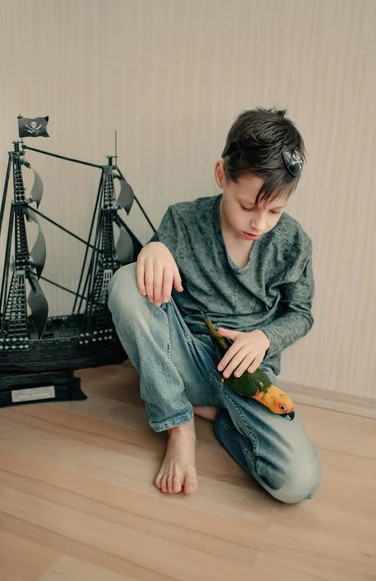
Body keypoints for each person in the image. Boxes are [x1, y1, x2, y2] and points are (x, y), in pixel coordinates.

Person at [108, 107, 322, 503]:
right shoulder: (183, 220)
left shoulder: (293, 243)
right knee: (125, 282)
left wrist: (263, 338)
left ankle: (222, 417)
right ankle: (179, 424)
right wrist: (152, 249)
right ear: (222, 175)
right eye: (247, 206)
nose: (260, 223)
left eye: (275, 211)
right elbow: (148, 295)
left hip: (246, 370)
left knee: (298, 483)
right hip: (185, 358)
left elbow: (301, 314)